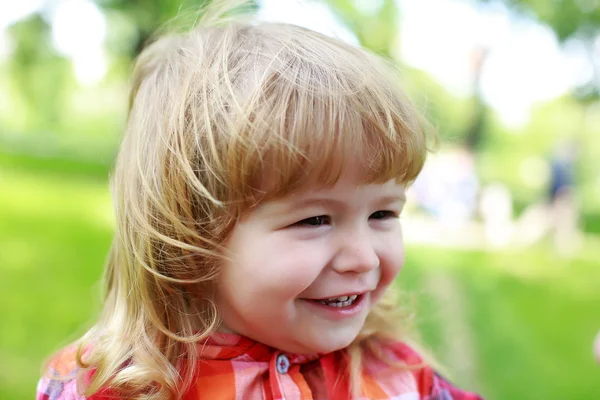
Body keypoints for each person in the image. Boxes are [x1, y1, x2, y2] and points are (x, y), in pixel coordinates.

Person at [37, 2, 483, 399]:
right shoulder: (111, 387)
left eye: (383, 212)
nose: (363, 257)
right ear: (189, 233)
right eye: (315, 220)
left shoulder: (400, 378)